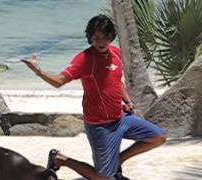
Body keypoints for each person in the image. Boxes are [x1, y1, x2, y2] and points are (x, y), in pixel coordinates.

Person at [22, 14, 166, 180]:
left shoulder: (115, 53)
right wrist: (38, 71)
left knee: (158, 137)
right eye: (96, 38)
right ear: (90, 37)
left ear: (111, 36)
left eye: (105, 38)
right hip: (100, 126)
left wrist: (127, 101)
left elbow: (116, 81)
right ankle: (60, 159)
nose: (101, 42)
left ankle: (117, 161)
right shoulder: (84, 60)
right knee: (103, 178)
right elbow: (59, 82)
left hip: (121, 118)